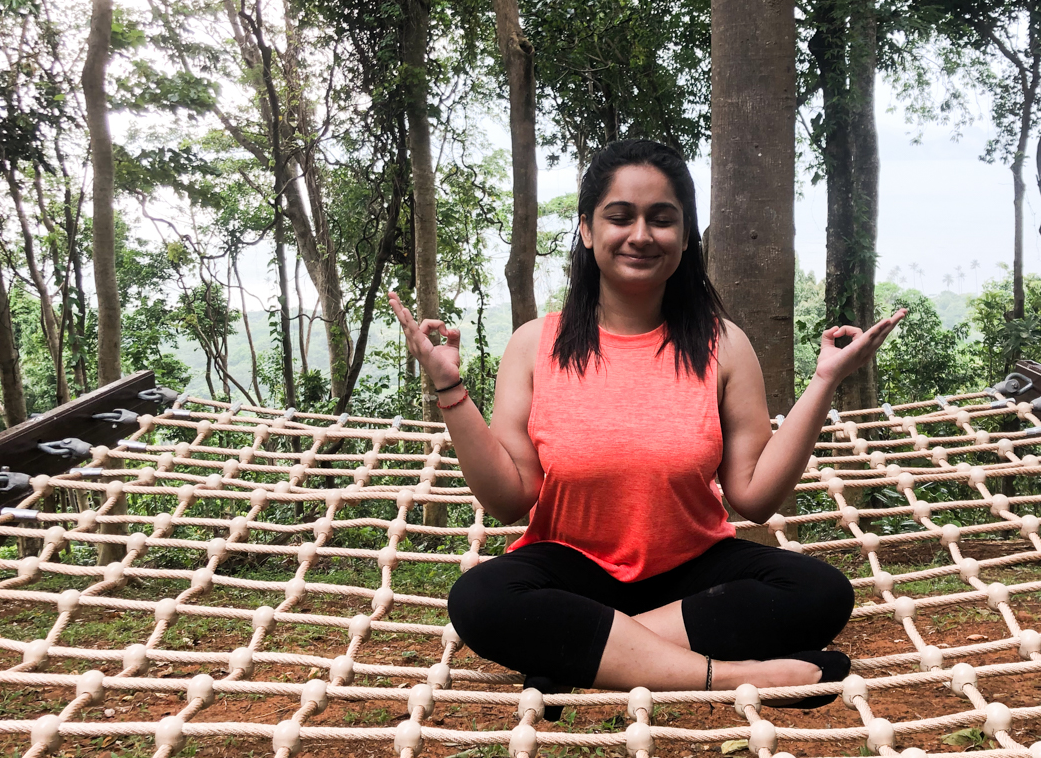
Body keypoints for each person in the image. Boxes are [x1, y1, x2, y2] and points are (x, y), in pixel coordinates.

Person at [388, 139, 905, 709]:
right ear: (586, 229)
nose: (641, 235)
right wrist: (449, 388)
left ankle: (575, 654)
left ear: (686, 237)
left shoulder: (725, 345)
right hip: (570, 568)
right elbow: (509, 502)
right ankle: (735, 677)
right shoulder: (535, 344)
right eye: (620, 217)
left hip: (691, 569)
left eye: (662, 219)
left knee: (819, 592)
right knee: (480, 599)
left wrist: (824, 381)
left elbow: (754, 498)